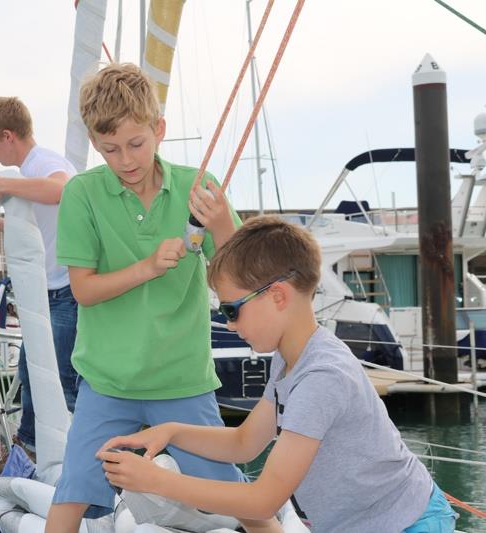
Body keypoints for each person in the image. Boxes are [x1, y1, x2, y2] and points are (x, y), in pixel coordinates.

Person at [98, 215, 458, 533]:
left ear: (278, 296)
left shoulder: (321, 376)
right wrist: (170, 432)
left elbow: (263, 501)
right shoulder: (290, 359)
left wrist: (157, 481)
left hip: (408, 523)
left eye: (232, 309)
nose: (228, 323)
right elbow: (245, 443)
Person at [47, 63, 280, 533]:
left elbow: (238, 278)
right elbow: (83, 291)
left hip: (183, 380)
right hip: (107, 383)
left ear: (159, 130)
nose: (125, 159)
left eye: (136, 144)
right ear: (95, 143)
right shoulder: (81, 194)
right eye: (110, 149)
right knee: (73, 492)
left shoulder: (200, 186)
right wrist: (148, 267)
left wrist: (219, 226)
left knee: (237, 497)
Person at [0, 96, 79, 476]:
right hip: (51, 291)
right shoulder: (31, 170)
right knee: (31, 373)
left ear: (7, 135)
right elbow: (44, 224)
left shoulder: (44, 163)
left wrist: (3, 186)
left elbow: (63, 190)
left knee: (61, 381)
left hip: (66, 292)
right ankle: (28, 452)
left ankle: (62, 460)